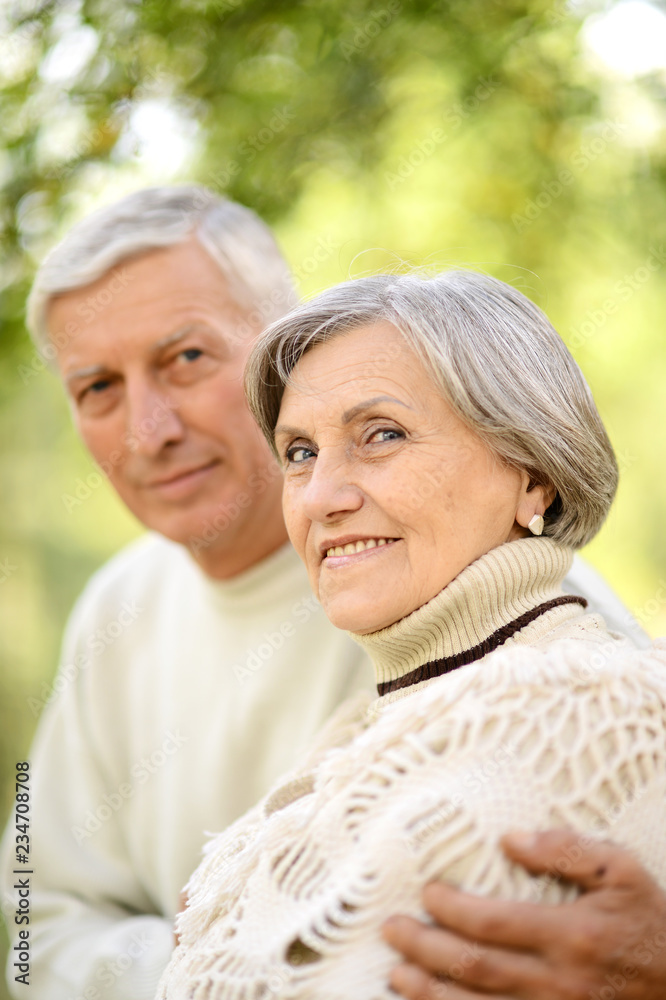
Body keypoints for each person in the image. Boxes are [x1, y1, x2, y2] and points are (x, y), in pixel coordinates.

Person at [0, 186, 654, 1000]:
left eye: (187, 358)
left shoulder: (534, 626)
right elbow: (32, 914)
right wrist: (208, 958)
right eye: (97, 387)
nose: (149, 430)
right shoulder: (114, 606)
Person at [157, 269, 666, 1000]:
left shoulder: (595, 710)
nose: (323, 498)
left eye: (381, 435)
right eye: (300, 452)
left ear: (532, 477)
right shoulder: (351, 742)